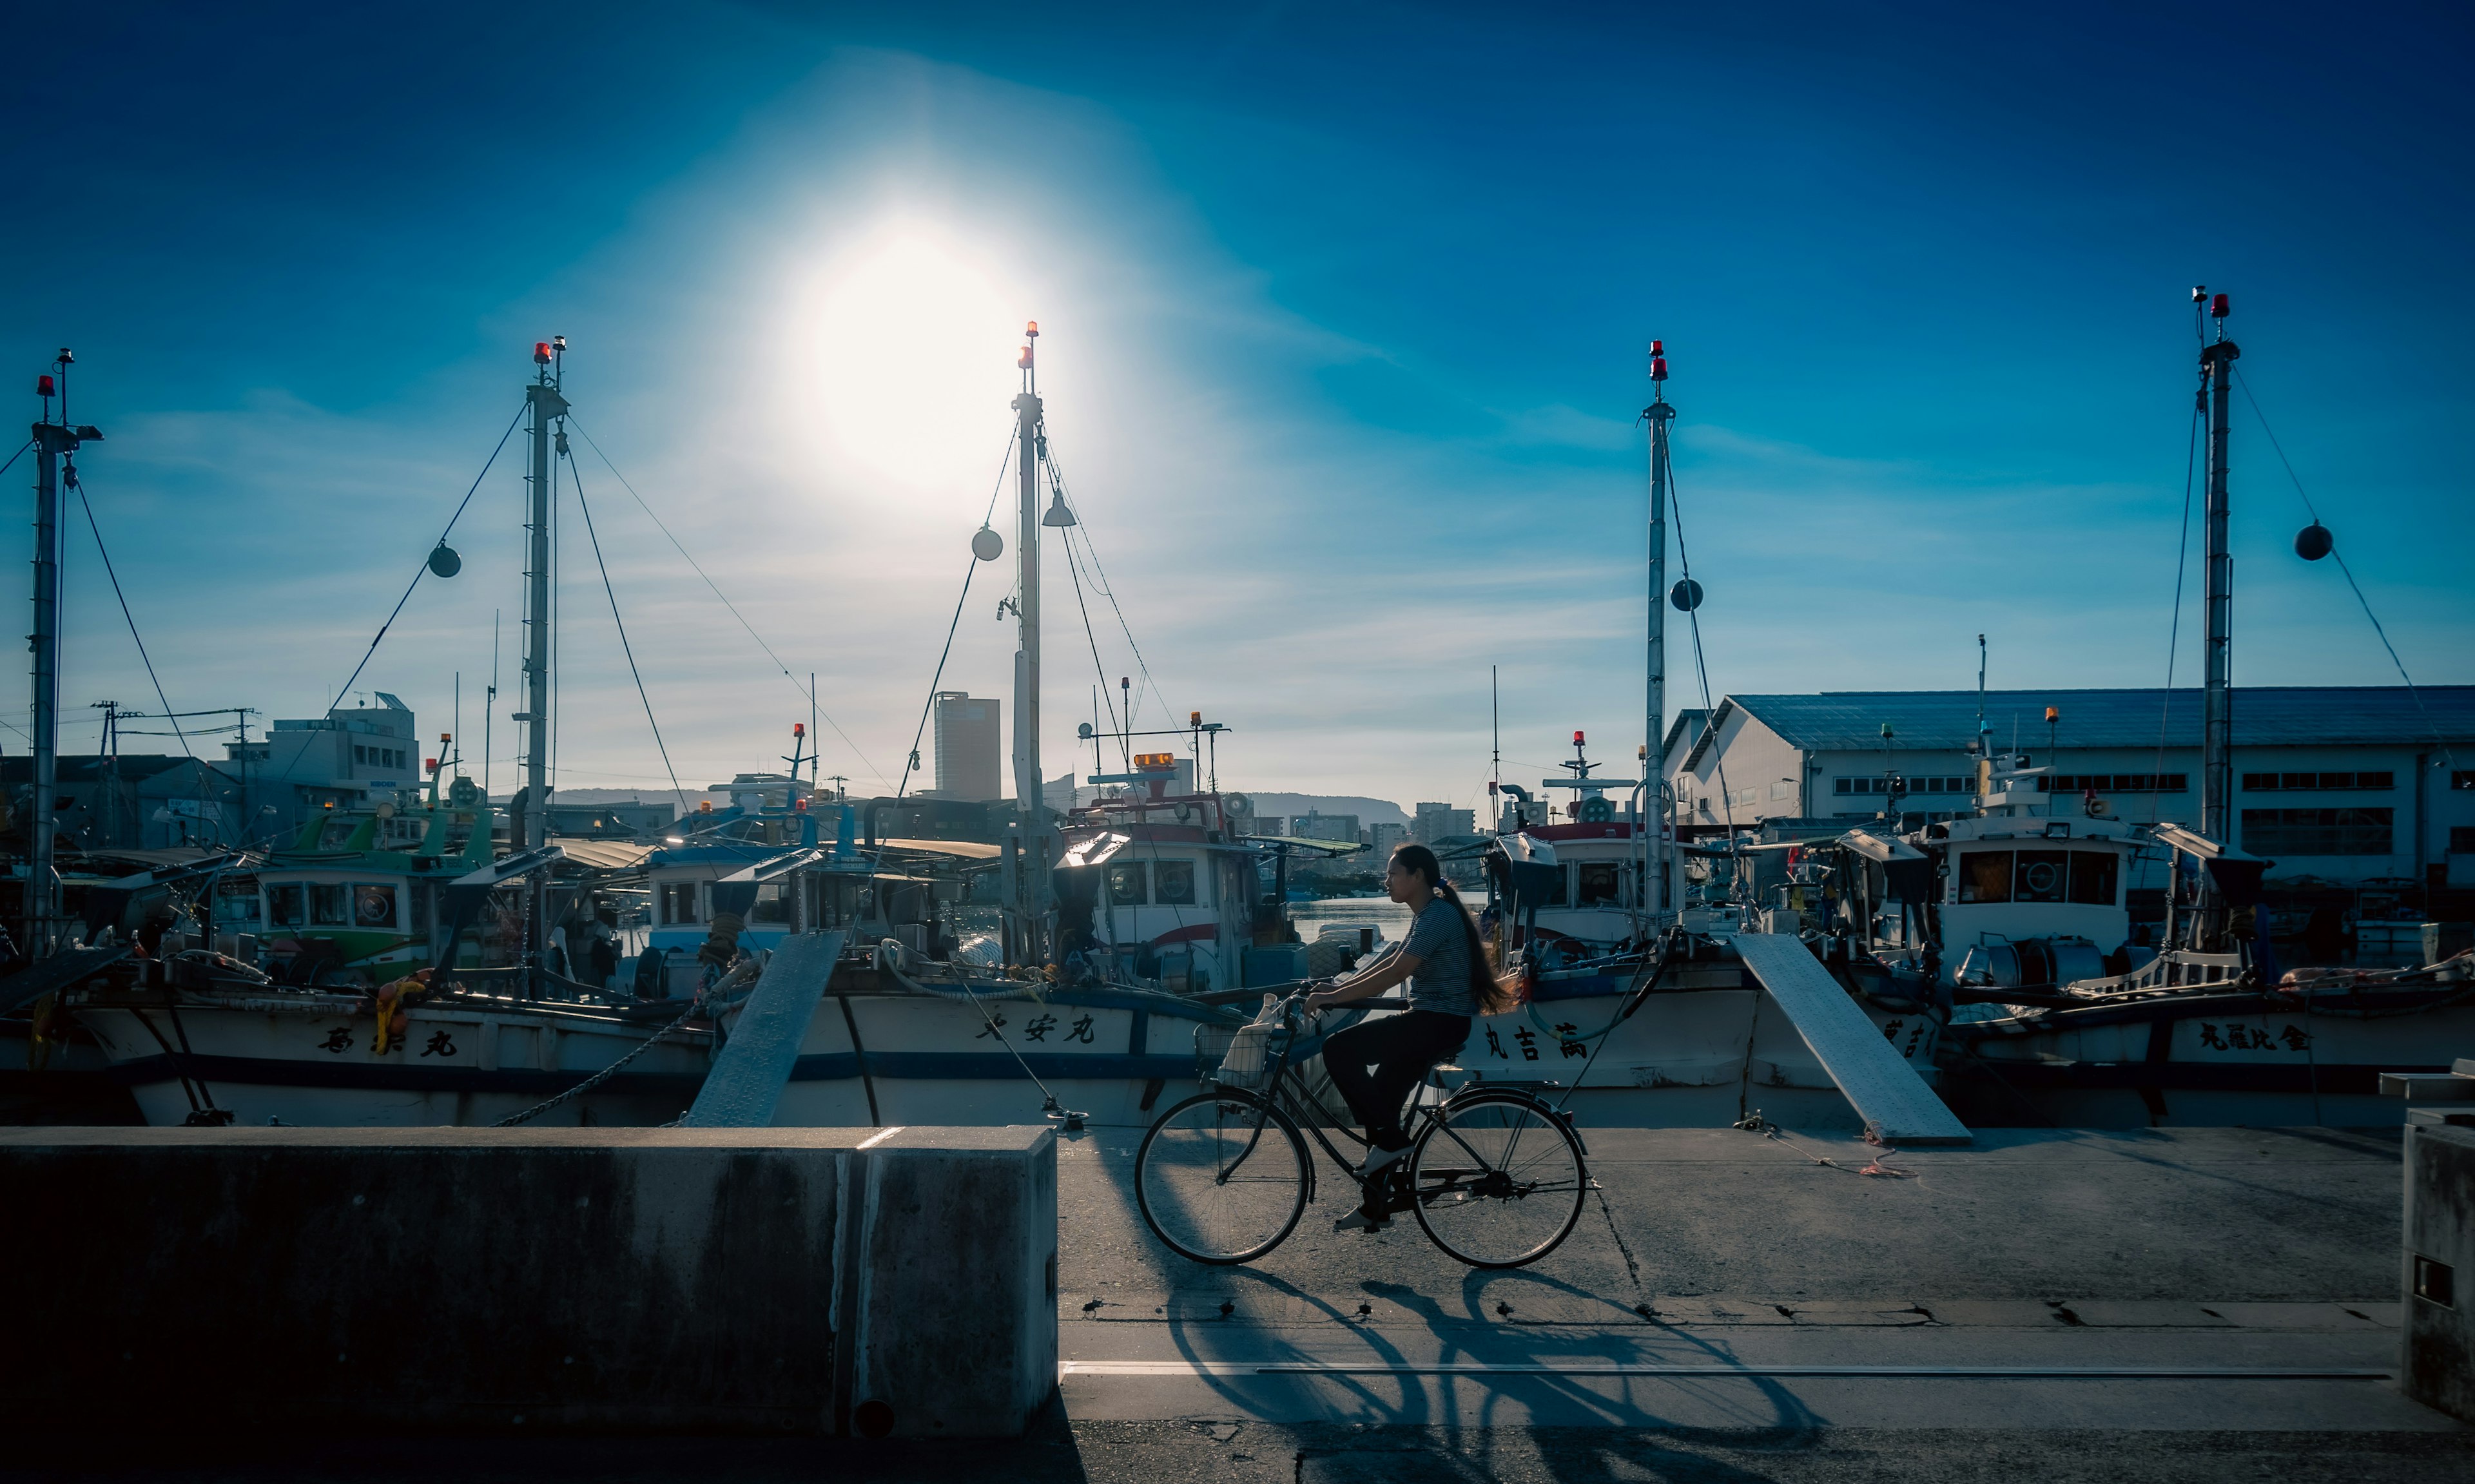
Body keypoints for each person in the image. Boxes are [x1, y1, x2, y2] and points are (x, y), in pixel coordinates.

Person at [1305, 843, 1514, 1233]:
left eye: (1392, 874)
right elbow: (1385, 963)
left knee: (1338, 1049)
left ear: (1417, 876)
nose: (1386, 881)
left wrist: (1332, 998)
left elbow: (1396, 974)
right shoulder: (1427, 915)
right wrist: (1334, 989)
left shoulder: (1437, 916)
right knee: (1380, 1102)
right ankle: (1376, 1205)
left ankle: (1391, 1141)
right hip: (1432, 1021)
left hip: (1437, 1023)